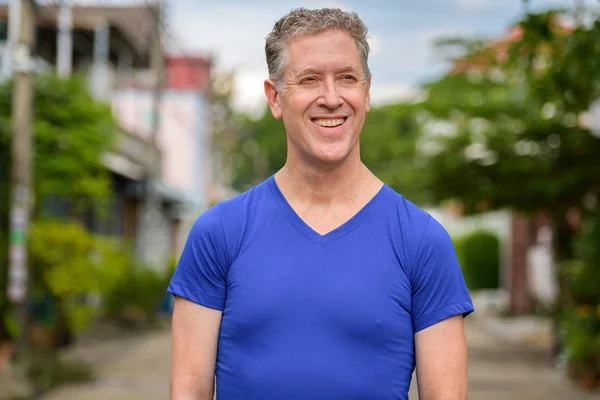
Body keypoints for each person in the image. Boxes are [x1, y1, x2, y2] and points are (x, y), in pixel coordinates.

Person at [168, 7, 474, 400]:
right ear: (275, 98)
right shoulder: (219, 234)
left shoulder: (421, 240)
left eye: (346, 78)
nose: (331, 98)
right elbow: (188, 391)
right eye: (309, 79)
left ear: (366, 92)